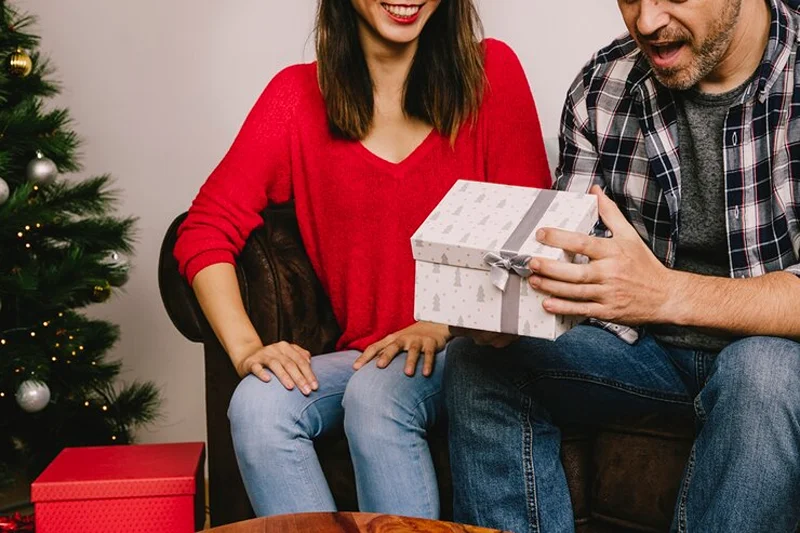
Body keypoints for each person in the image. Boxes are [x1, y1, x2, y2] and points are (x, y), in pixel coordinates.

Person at [173, 0, 551, 519]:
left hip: (472, 349)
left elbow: (530, 240)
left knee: (377, 397)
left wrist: (440, 324)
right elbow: (205, 228)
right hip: (366, 356)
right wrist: (246, 349)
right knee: (257, 407)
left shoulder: (492, 73)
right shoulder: (295, 98)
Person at [445, 0, 800, 531]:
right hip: (645, 349)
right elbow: (567, 263)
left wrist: (667, 293)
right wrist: (507, 312)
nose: (647, 20)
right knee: (479, 365)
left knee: (766, 374)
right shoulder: (600, 86)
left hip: (774, 355)